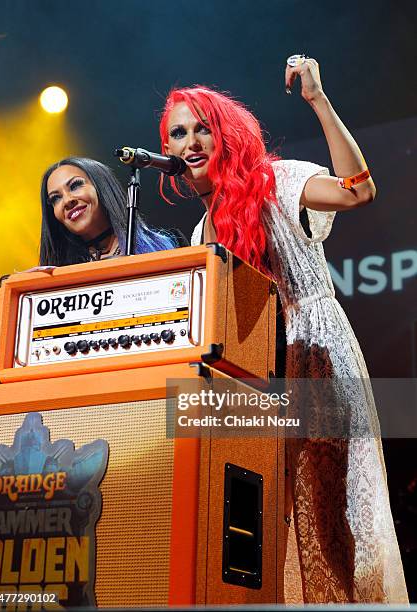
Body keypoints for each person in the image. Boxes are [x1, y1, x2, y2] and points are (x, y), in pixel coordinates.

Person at [158, 57, 409, 603]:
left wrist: (317, 98)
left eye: (204, 126)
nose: (192, 141)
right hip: (255, 375)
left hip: (312, 351)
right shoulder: (202, 230)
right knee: (272, 518)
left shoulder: (275, 180)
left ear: (225, 133)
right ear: (168, 150)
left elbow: (356, 191)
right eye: (179, 132)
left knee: (329, 513)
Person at [39, 156, 181, 266]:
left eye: (75, 185)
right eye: (56, 198)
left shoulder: (169, 244)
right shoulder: (58, 275)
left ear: (102, 187)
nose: (67, 200)